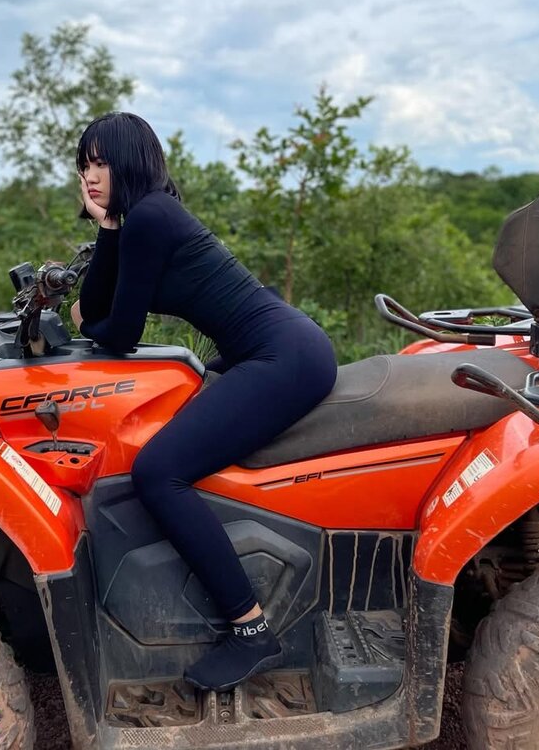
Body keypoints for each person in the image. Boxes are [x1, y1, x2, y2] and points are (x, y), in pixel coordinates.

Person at [70, 112, 337, 692]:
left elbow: (116, 331)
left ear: (130, 161)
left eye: (101, 163)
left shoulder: (149, 218)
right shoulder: (142, 217)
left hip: (283, 356)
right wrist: (106, 227)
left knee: (158, 471)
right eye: (84, 165)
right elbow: (101, 306)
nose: (89, 176)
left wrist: (86, 320)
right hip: (266, 349)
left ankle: (250, 629)